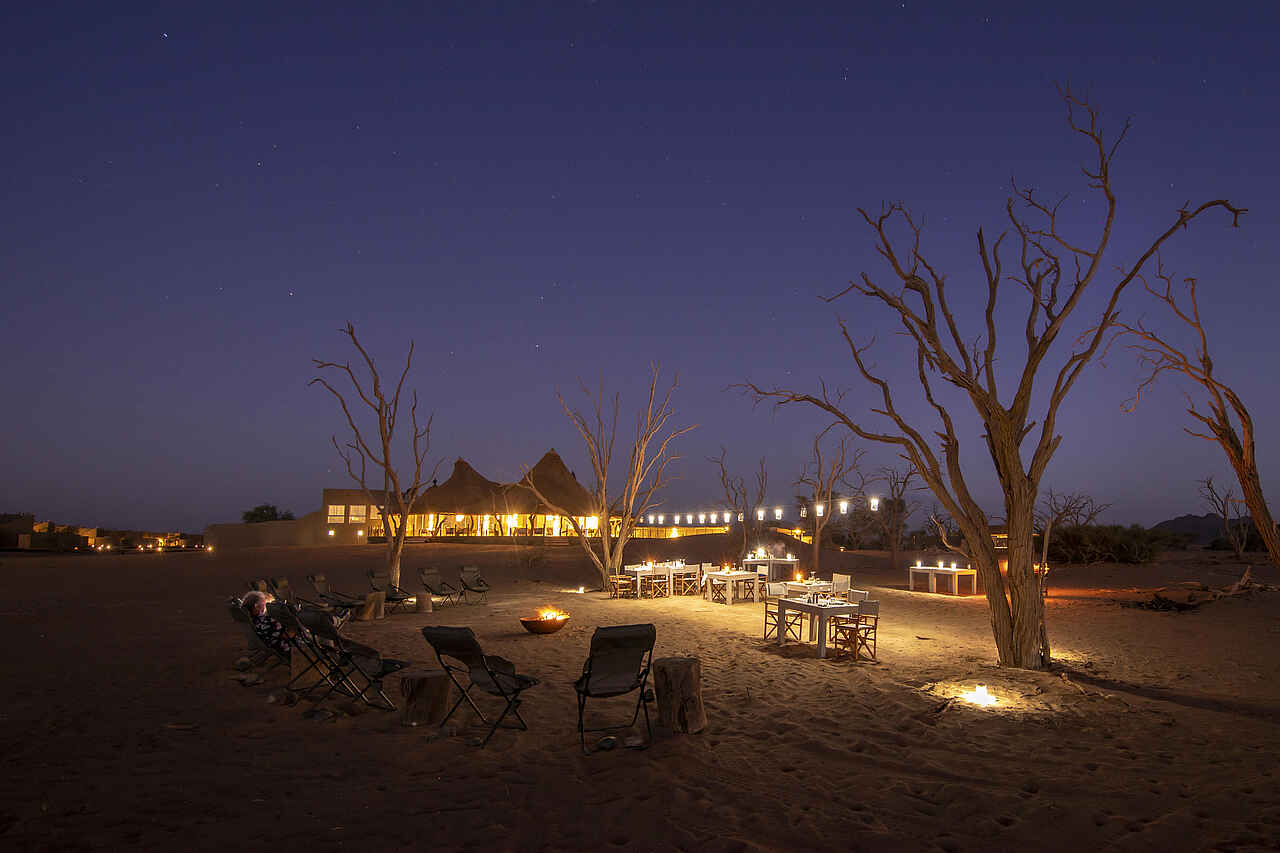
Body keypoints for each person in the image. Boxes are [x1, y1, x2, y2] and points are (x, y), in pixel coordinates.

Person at [242, 590, 290, 657]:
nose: (265, 607)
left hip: (270, 640)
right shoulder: (264, 621)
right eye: (264, 604)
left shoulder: (254, 620)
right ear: (256, 606)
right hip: (279, 644)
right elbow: (280, 630)